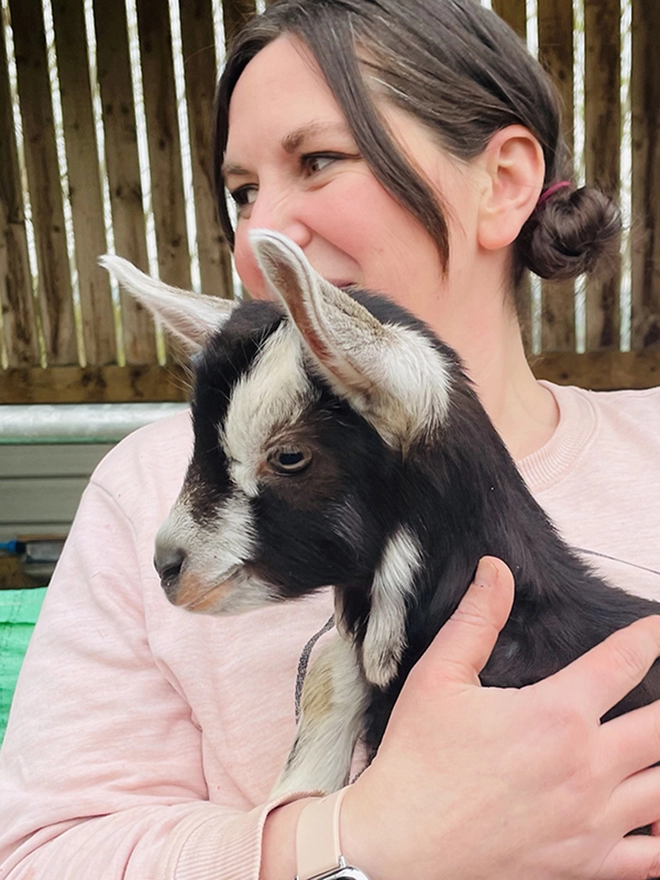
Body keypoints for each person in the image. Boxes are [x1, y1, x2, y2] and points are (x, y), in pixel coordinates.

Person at [2, 0, 660, 877]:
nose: (258, 237)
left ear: (502, 183)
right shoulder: (145, 491)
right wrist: (364, 841)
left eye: (319, 161)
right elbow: (47, 851)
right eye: (242, 193)